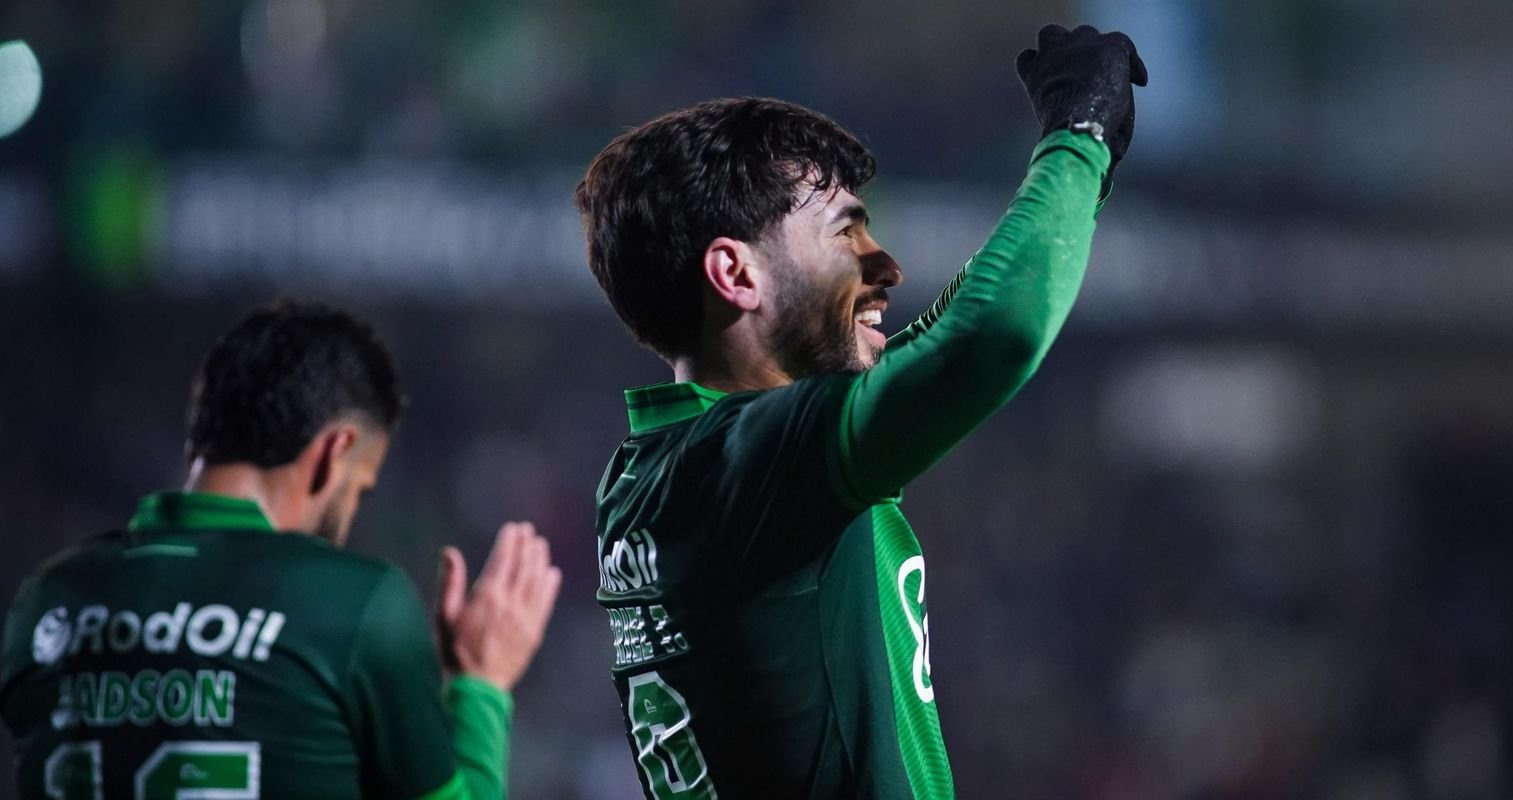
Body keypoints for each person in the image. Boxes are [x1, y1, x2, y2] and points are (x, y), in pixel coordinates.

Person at [573, 23, 1146, 800]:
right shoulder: (751, 462)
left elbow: (942, 338)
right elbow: (992, 335)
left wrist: (1078, 185)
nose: (886, 265)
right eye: (847, 232)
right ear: (735, 273)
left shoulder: (653, 473)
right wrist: (1076, 145)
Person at [0, 298, 562, 799]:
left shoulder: (46, 601)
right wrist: (480, 684)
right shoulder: (353, 605)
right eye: (360, 489)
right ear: (335, 452)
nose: (353, 512)